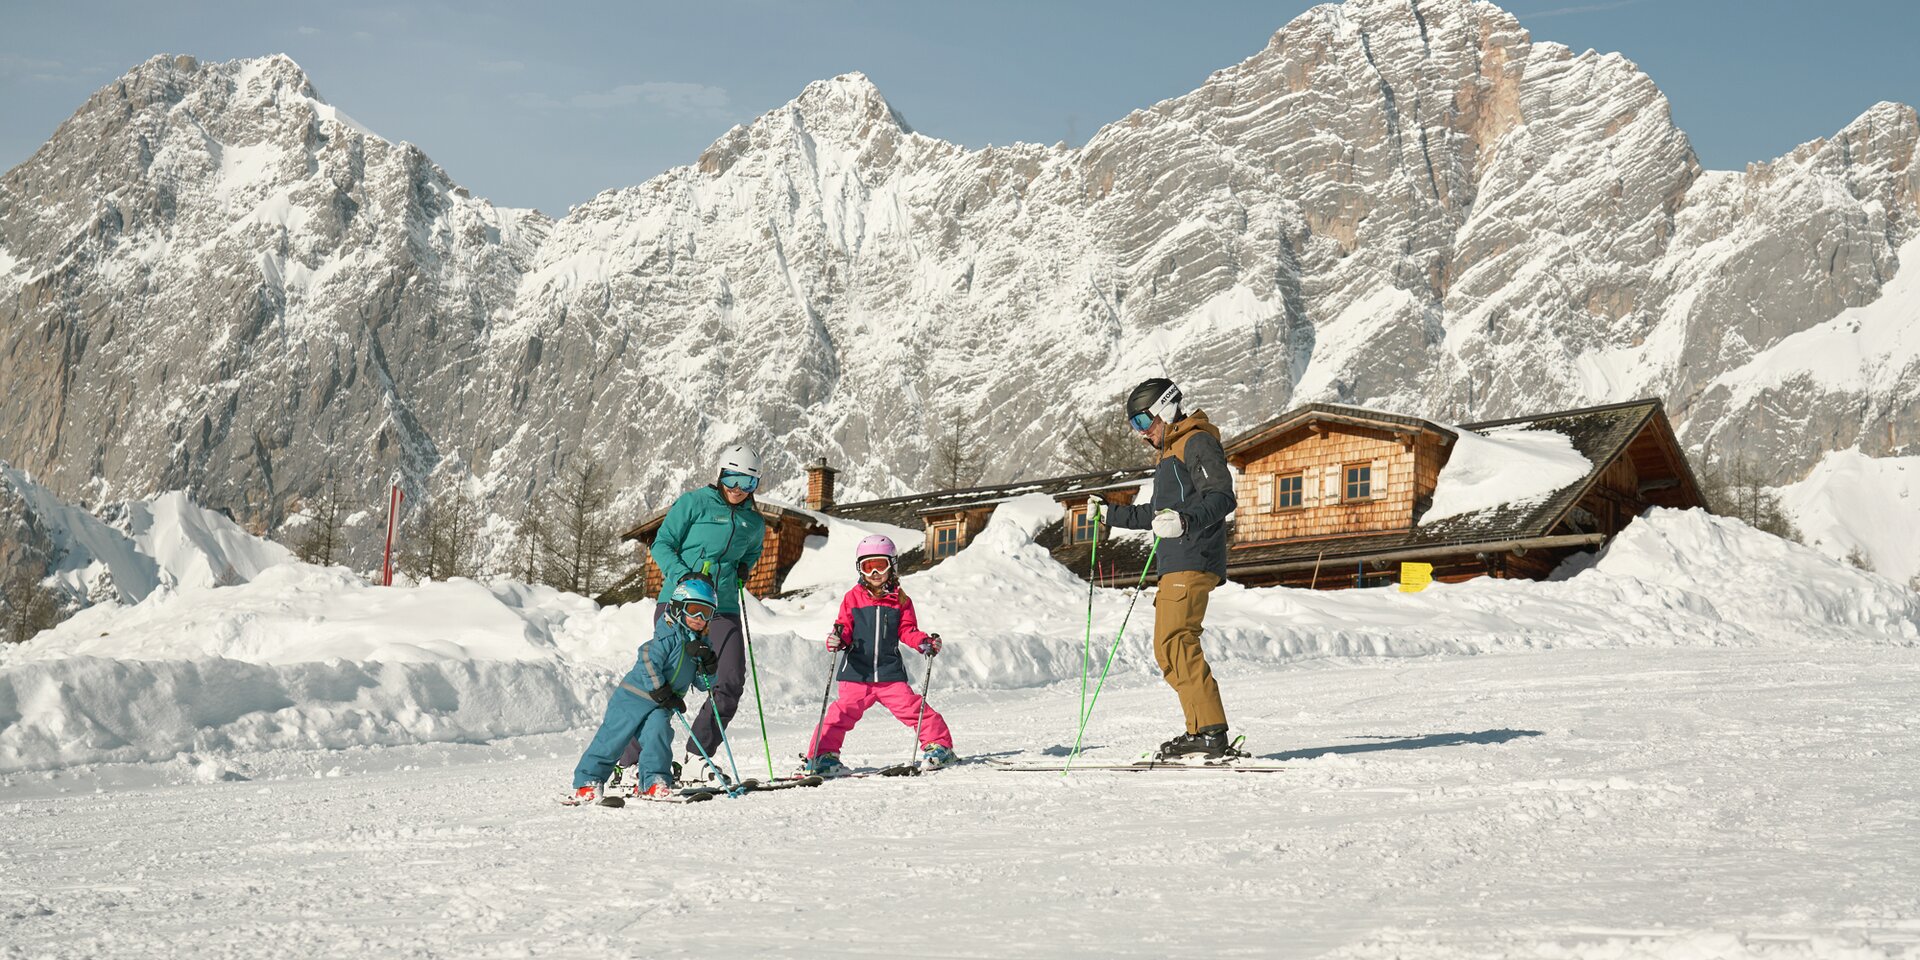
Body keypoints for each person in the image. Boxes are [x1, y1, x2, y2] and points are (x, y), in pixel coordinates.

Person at [1090, 377, 1242, 760]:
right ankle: (1199, 730)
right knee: (1168, 649)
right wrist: (1110, 514)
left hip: (1192, 558)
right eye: (1135, 427)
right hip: (1175, 561)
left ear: (1166, 409)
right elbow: (1157, 514)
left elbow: (1222, 497)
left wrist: (1186, 521)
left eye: (1143, 423)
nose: (1141, 434)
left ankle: (1210, 732)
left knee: (1177, 641)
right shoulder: (1171, 454)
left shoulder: (1197, 442)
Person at [623, 444, 766, 782]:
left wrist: (744, 568)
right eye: (731, 478)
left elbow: (754, 550)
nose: (736, 489)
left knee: (729, 680)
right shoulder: (694, 503)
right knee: (667, 683)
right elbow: (662, 543)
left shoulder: (753, 522)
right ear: (719, 475)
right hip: (680, 603)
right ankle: (628, 760)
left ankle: (697, 755)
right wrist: (683, 574)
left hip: (724, 607)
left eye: (746, 483)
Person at [802, 534, 955, 775]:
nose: (874, 573)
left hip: (888, 672)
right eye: (867, 566)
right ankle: (822, 756)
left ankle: (940, 746)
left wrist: (923, 642)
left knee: (913, 708)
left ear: (892, 566)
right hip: (856, 672)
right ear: (860, 569)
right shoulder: (852, 598)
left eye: (880, 566)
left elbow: (907, 630)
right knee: (840, 713)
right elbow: (844, 628)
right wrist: (837, 639)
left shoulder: (901, 601)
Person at [564, 575, 722, 804]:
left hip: (663, 702)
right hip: (634, 696)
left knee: (658, 734)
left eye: (705, 613)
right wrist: (661, 689)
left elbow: (701, 684)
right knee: (613, 738)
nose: (699, 618)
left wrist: (709, 666)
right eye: (694, 610)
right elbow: (647, 658)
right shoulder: (669, 635)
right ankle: (587, 781)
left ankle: (653, 781)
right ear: (678, 608)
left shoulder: (700, 644)